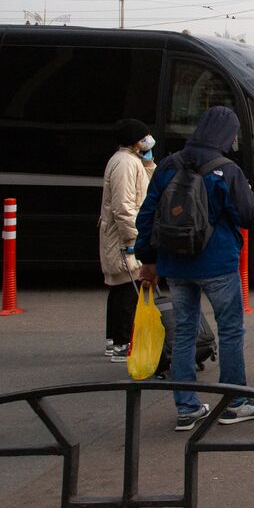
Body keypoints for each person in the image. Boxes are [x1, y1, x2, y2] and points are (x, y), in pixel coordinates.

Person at [135, 106, 254, 431]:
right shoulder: (227, 170)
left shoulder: (168, 165)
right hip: (217, 263)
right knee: (231, 330)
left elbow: (148, 214)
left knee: (183, 333)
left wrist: (147, 259)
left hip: (175, 264)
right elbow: (248, 216)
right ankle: (235, 402)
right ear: (225, 134)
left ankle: (187, 408)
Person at [99, 119, 155, 362]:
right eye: (144, 137)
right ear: (135, 141)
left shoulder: (131, 161)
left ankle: (114, 339)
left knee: (120, 286)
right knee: (128, 288)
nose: (149, 140)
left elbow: (147, 183)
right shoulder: (124, 163)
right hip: (124, 236)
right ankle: (122, 342)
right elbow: (123, 207)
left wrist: (149, 162)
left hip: (121, 233)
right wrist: (134, 237)